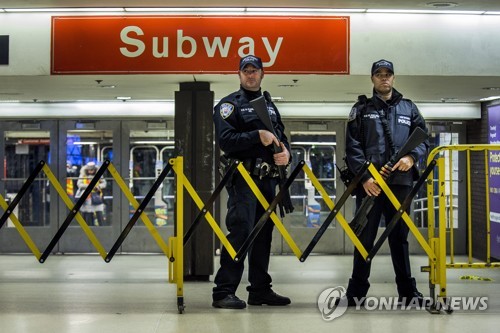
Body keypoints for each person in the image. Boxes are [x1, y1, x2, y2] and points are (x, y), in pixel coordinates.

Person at [343, 59, 429, 306]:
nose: (384, 78)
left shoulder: (409, 108)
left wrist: (412, 157)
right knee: (364, 238)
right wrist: (365, 178)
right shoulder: (361, 109)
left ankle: (408, 293)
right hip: (371, 185)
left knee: (399, 237)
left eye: (388, 74)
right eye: (378, 74)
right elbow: (353, 148)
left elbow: (423, 138)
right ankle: (356, 293)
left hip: (400, 183)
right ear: (372, 79)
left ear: (393, 77)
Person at [212, 55, 292, 309]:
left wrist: (286, 152)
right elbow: (226, 141)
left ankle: (260, 290)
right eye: (245, 70)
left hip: (268, 180)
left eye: (254, 70)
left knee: (263, 235)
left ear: (262, 74)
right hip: (244, 180)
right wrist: (256, 135)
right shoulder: (228, 105)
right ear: (239, 74)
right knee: (241, 232)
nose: (250, 74)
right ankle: (223, 291)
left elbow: (281, 136)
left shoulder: (269, 105)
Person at [76, 161, 107, 226]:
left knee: (100, 214)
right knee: (88, 216)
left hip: (96, 197)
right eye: (89, 170)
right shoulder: (83, 174)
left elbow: (104, 183)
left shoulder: (99, 174)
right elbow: (79, 184)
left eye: (92, 170)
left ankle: (101, 229)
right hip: (87, 198)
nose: (90, 171)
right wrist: (89, 186)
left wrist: (99, 186)